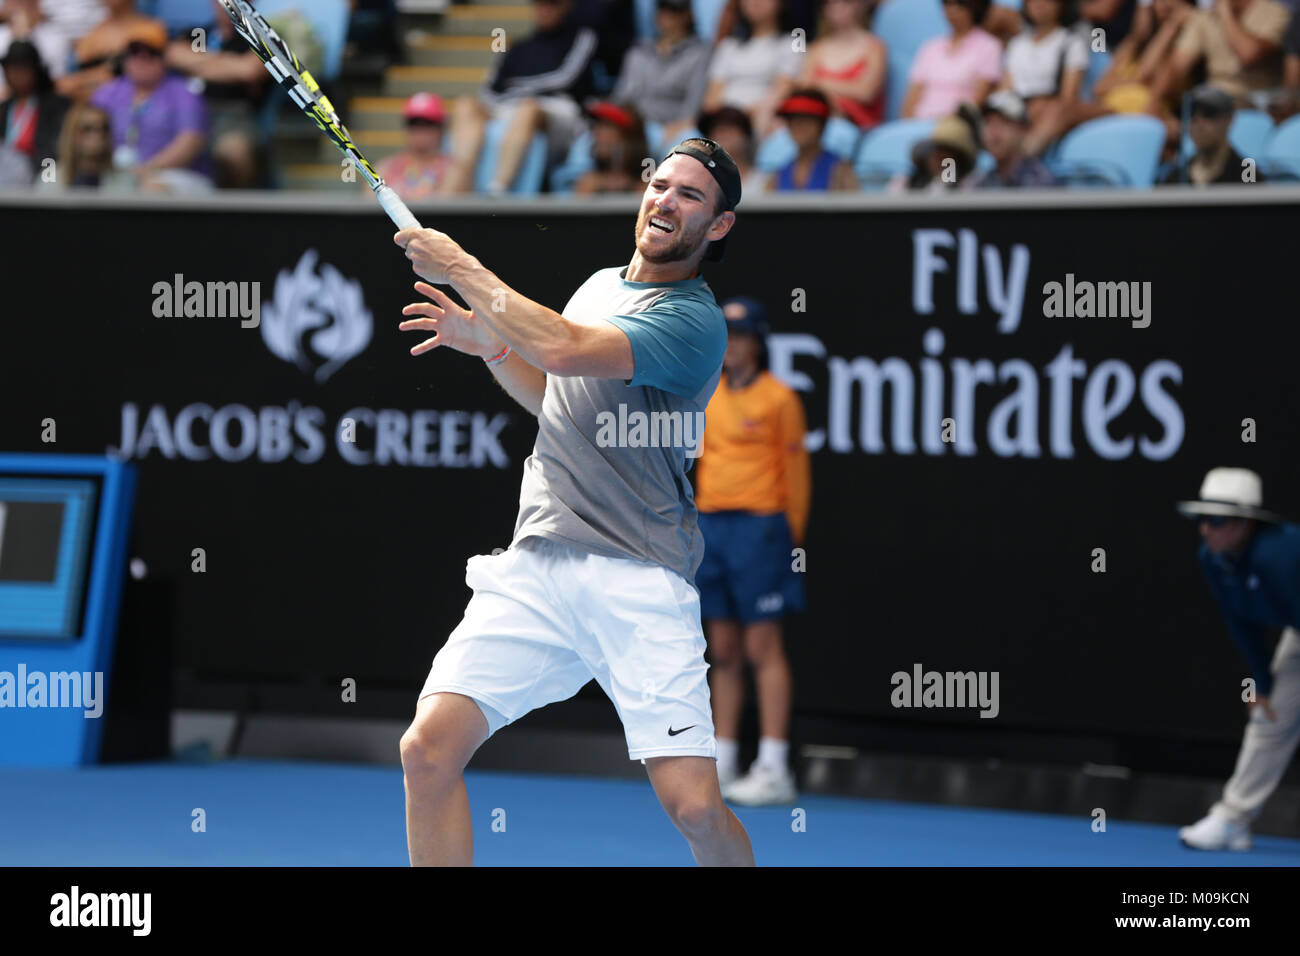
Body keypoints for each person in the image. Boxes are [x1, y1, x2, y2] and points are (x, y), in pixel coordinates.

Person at [394, 137, 754, 867]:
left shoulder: (695, 322)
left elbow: (558, 349)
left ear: (716, 227)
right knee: (426, 753)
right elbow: (557, 395)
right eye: (662, 184)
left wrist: (460, 266)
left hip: (641, 574)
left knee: (694, 809)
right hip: (538, 564)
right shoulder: (596, 286)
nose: (666, 201)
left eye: (691, 196)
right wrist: (492, 348)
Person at [693, 296, 810, 806]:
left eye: (742, 337)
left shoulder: (780, 399)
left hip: (762, 532)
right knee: (722, 652)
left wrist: (790, 540)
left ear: (757, 343)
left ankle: (774, 765)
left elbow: (798, 479)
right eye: (727, 336)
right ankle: (722, 760)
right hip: (710, 528)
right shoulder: (705, 395)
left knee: (763, 649)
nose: (733, 346)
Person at [1175, 468, 1300, 851]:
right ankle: (1233, 820)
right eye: (1202, 520)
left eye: (1216, 521)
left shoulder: (1281, 555)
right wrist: (1262, 682)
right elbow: (1241, 623)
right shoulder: (1213, 559)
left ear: (1246, 523)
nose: (1205, 531)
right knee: (1270, 715)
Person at [445, 0, 597, 195]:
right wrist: (512, 95)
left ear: (566, 6)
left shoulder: (582, 37)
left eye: (552, 4)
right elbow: (490, 89)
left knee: (529, 107)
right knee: (465, 104)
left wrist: (518, 88)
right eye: (540, 4)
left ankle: (498, 190)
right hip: (511, 106)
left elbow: (565, 77)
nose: (545, 9)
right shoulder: (518, 47)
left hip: (560, 108)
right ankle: (459, 186)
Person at [163, 0, 272, 189]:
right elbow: (173, 54)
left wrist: (198, 64)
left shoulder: (259, 37)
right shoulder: (199, 33)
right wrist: (231, 65)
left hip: (234, 117)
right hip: (188, 111)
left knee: (234, 152)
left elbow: (250, 70)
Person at [89, 20, 209, 187]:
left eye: (151, 52)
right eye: (134, 52)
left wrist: (148, 169)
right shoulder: (108, 92)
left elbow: (191, 142)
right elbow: (86, 130)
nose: (142, 58)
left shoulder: (184, 93)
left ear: (165, 57)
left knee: (151, 188)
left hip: (175, 174)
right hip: (114, 173)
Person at [609, 0, 711, 152]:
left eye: (675, 11)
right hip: (635, 124)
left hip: (675, 126)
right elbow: (623, 96)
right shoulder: (639, 51)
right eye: (663, 9)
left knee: (688, 140)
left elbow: (694, 104)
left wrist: (676, 128)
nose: (668, 16)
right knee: (594, 137)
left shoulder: (700, 53)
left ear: (688, 16)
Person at [1148, 0, 1290, 106]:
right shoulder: (1204, 17)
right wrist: (1154, 106)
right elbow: (1176, 67)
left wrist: (1225, 12)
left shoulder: (1275, 12)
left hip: (1257, 103)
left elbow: (1249, 55)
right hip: (1214, 104)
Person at [1000, 0, 1091, 155]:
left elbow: (1068, 98)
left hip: (1049, 112)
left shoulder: (1072, 43)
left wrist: (1037, 108)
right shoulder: (1016, 44)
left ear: (1061, 5)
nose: (1039, 4)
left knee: (1055, 110)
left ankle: (1021, 160)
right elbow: (1005, 91)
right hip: (1017, 112)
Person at [701, 0, 801, 139]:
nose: (754, 2)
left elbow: (783, 89)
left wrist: (742, 118)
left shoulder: (792, 44)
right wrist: (724, 121)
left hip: (762, 120)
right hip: (722, 123)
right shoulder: (728, 45)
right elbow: (712, 98)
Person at [903, 0, 1003, 121]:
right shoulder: (930, 47)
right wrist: (907, 124)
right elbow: (912, 97)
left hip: (958, 125)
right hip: (920, 123)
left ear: (975, 8)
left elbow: (978, 99)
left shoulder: (989, 46)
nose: (952, 11)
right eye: (948, 4)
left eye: (959, 5)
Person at [797, 0, 887, 132]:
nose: (836, 5)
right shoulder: (816, 48)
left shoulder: (875, 47)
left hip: (860, 127)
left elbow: (867, 93)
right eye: (829, 2)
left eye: (845, 2)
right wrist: (845, 88)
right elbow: (805, 88)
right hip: (819, 121)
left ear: (858, 4)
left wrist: (822, 84)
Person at [56, 0, 161, 100]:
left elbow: (131, 80)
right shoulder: (91, 36)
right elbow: (67, 86)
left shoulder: (151, 30)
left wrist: (82, 82)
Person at [1158, 83, 1262, 182]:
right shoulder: (1177, 177)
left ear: (1229, 119)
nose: (1199, 123)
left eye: (1209, 113)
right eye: (1192, 114)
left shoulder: (1247, 173)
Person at [766, 88, 858, 190]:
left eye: (805, 119)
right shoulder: (777, 176)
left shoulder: (840, 171)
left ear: (822, 124)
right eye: (792, 119)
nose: (797, 125)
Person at [0, 38, 67, 177]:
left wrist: (44, 178)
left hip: (42, 174)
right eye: (11, 68)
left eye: (23, 67)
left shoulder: (57, 106)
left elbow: (55, 150)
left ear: (36, 70)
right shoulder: (4, 108)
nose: (17, 74)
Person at [971, 89, 1058, 186]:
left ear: (1023, 129)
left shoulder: (1040, 182)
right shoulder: (982, 182)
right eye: (988, 122)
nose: (993, 132)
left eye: (1004, 122)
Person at [374, 92, 452, 201]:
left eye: (428, 124)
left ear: (441, 128)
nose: (420, 131)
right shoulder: (385, 168)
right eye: (414, 123)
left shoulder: (452, 170)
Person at [892, 108, 979, 191]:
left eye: (947, 152)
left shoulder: (970, 185)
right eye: (936, 149)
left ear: (959, 160)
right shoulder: (905, 182)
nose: (938, 157)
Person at [573, 100, 649, 193]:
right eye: (596, 126)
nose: (596, 133)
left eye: (606, 126)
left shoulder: (651, 185)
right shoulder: (588, 183)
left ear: (628, 136)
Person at [0, 0, 71, 99]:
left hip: (38, 103)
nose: (19, 7)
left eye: (24, 3)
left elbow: (56, 85)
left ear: (37, 5)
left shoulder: (55, 39)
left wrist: (23, 37)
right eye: (13, 2)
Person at [698, 104, 769, 195]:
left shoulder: (767, 181)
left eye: (731, 127)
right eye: (715, 129)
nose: (723, 134)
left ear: (746, 136)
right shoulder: (697, 182)